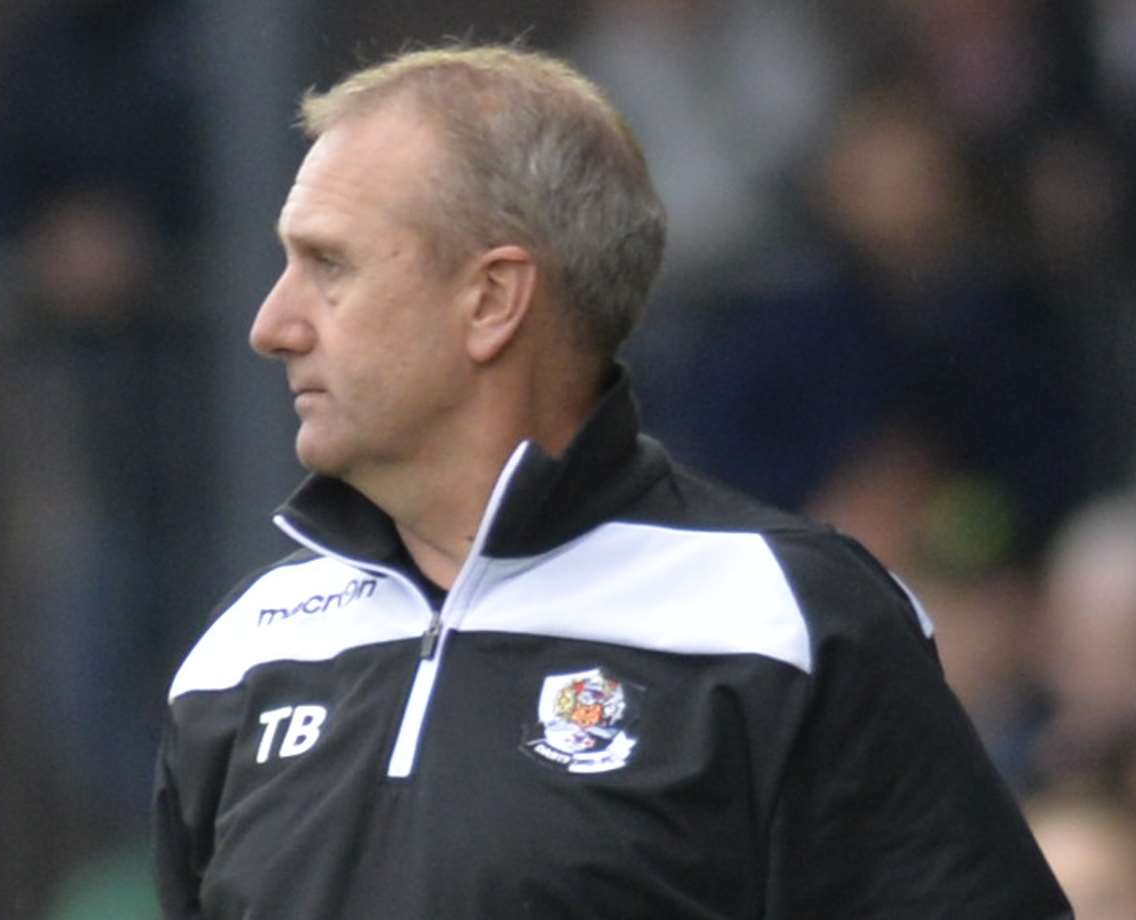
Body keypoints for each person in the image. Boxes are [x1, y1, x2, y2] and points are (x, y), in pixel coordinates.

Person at [153, 44, 1071, 919]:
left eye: (329, 265)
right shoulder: (242, 655)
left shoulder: (790, 625)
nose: (272, 324)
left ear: (492, 300)